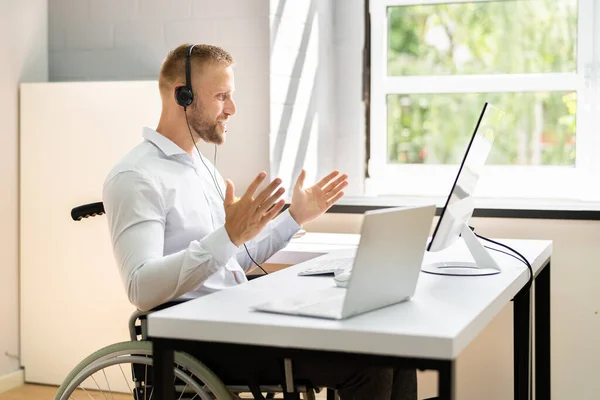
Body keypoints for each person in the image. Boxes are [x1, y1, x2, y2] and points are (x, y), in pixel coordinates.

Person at [102, 43, 417, 400]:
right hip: (196, 339)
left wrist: (295, 216)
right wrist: (227, 236)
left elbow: (233, 257)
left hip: (234, 318)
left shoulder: (203, 169)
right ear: (183, 95)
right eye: (222, 96)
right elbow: (140, 288)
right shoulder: (136, 176)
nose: (232, 109)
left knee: (395, 345)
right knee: (368, 363)